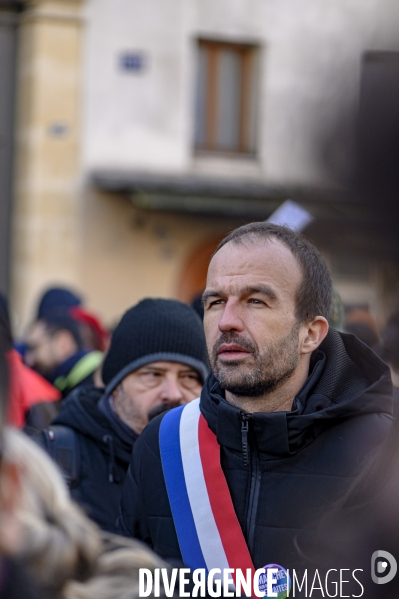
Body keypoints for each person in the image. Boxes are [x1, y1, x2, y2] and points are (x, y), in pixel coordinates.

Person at [116, 222, 393, 577]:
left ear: (310, 334)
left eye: (256, 301)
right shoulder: (163, 444)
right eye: (215, 302)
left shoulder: (384, 451)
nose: (227, 321)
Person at [38, 298, 208, 532]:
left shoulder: (216, 465)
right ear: (116, 386)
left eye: (188, 377)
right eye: (154, 375)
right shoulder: (54, 460)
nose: (173, 393)